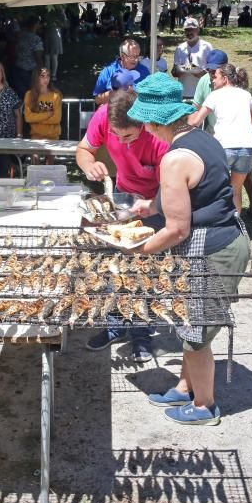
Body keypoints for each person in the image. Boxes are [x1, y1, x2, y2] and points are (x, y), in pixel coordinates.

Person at [125, 73, 252, 425]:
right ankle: (184, 387)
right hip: (225, 240)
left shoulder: (174, 157)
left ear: (152, 120)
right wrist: (152, 206)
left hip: (211, 249)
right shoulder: (201, 136)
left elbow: (178, 229)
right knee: (187, 323)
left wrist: (138, 249)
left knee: (196, 332)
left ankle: (204, 405)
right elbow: (199, 189)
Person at [77, 87, 171, 362]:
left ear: (143, 123)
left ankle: (141, 332)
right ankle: (115, 324)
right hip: (123, 198)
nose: (121, 141)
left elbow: (172, 186)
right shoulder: (103, 116)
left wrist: (153, 205)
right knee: (116, 266)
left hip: (155, 202)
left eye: (128, 135)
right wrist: (88, 165)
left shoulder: (159, 138)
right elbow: (84, 149)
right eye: (115, 135)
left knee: (145, 269)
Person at [189, 63, 252, 214]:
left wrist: (180, 119)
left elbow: (195, 121)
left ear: (225, 79)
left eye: (215, 77)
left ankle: (217, 223)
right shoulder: (246, 95)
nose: (212, 80)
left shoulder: (214, 95)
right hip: (246, 147)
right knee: (236, 189)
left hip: (224, 147)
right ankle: (236, 226)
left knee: (216, 188)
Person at [93, 38, 150, 106]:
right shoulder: (108, 71)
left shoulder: (144, 71)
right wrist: (115, 92)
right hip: (114, 114)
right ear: (122, 56)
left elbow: (151, 96)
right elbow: (97, 100)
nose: (136, 60)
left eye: (138, 56)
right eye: (132, 57)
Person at [172, 17, 213, 99]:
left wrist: (200, 71)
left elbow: (213, 70)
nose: (189, 32)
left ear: (198, 30)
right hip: (183, 93)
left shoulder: (206, 47)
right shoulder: (180, 48)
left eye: (192, 30)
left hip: (202, 93)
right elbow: (174, 72)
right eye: (187, 30)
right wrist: (181, 70)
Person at [192, 49, 229, 135]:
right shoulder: (204, 80)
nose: (212, 74)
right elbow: (195, 108)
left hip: (230, 134)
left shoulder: (235, 83)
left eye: (215, 70)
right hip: (212, 132)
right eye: (209, 70)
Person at [23, 67, 63, 140]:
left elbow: (56, 119)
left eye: (48, 76)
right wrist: (48, 114)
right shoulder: (29, 95)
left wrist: (36, 119)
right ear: (36, 78)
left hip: (53, 138)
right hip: (36, 137)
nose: (46, 79)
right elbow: (28, 118)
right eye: (42, 76)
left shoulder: (55, 95)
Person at [11, 15, 43, 97]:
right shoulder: (36, 39)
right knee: (32, 95)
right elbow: (38, 56)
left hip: (18, 68)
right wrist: (41, 70)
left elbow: (15, 51)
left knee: (20, 95)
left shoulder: (21, 36)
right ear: (36, 25)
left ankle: (21, 109)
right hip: (30, 70)